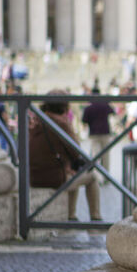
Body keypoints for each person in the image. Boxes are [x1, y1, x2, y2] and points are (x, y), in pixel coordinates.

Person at [30, 93, 101, 221]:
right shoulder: (61, 123)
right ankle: (96, 218)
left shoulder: (35, 122)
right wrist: (69, 126)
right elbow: (76, 151)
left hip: (32, 176)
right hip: (53, 179)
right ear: (65, 108)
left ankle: (71, 216)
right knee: (92, 177)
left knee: (74, 172)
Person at [82, 85, 115, 175]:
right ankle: (106, 176)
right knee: (106, 156)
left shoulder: (88, 108)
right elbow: (113, 112)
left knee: (95, 156)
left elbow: (84, 121)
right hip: (105, 132)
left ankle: (96, 175)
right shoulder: (105, 105)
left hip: (94, 133)